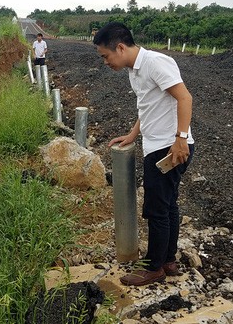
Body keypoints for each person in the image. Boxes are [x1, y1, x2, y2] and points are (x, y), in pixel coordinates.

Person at [93, 22, 195, 287]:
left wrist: (180, 140)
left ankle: (154, 267)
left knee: (156, 209)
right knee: (168, 204)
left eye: (106, 56)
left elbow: (185, 98)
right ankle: (168, 260)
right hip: (158, 145)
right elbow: (148, 106)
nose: (105, 62)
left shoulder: (155, 63)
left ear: (120, 47)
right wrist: (132, 135)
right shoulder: (133, 70)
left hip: (168, 147)